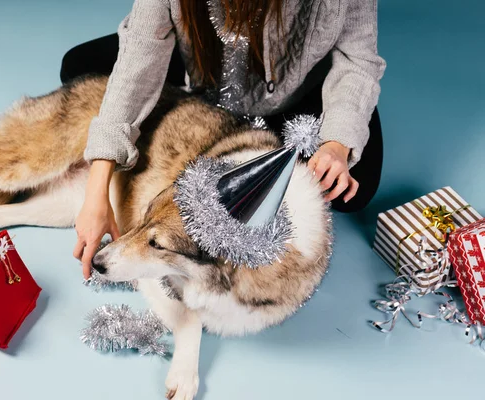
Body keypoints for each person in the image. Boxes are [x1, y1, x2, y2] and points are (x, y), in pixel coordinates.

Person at [61, 0, 386, 278]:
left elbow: (358, 59)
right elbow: (138, 56)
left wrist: (336, 145)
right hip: (205, 73)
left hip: (297, 91)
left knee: (352, 189)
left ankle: (251, 130)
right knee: (79, 67)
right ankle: (201, 108)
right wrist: (96, 190)